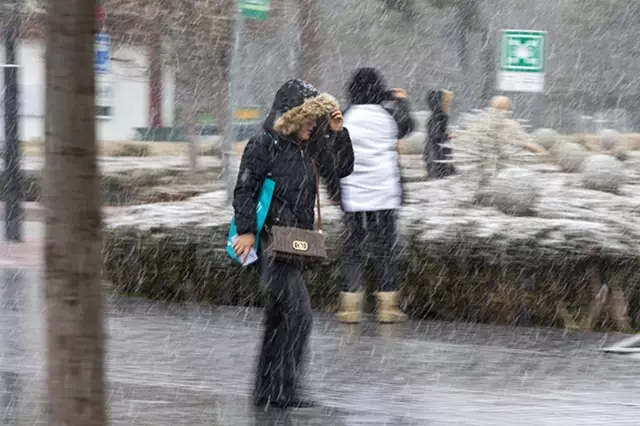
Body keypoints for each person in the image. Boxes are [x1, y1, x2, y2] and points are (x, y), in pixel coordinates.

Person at [232, 79, 354, 409]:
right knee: (298, 315)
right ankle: (284, 388)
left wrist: (337, 131)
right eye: (309, 118)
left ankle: (269, 389)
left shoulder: (310, 147)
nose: (313, 125)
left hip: (295, 242)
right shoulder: (263, 145)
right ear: (291, 116)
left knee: (280, 316)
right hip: (270, 242)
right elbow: (244, 190)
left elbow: (341, 170)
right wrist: (245, 231)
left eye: (316, 119)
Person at [333, 67, 414, 324]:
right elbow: (409, 125)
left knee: (353, 249)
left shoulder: (345, 116)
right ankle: (388, 308)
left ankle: (350, 307)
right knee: (385, 250)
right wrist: (400, 99)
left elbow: (330, 151)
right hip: (384, 193)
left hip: (352, 193)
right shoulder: (389, 116)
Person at [424, 89, 456, 178]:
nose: (449, 104)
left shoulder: (439, 116)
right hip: (436, 154)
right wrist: (448, 135)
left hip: (437, 153)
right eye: (447, 102)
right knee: (439, 179)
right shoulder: (437, 117)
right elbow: (435, 135)